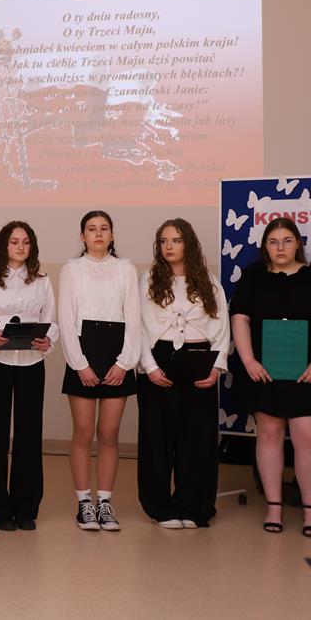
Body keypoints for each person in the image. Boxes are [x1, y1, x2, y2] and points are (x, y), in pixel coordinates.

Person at [0, 221, 58, 531]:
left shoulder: (42, 281)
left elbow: (51, 322)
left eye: (26, 242)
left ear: (32, 247)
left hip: (32, 363)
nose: (20, 247)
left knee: (29, 435)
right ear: (4, 245)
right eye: (14, 241)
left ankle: (26, 508)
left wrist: (48, 340)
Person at [138, 219, 229, 529]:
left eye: (176, 240)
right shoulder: (148, 279)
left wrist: (216, 368)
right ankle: (160, 506)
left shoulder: (208, 281)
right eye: (164, 241)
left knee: (197, 438)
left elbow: (222, 327)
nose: (169, 246)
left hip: (199, 360)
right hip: (160, 359)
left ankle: (193, 505)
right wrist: (149, 367)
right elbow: (138, 327)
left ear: (188, 243)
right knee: (158, 438)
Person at [58, 210, 141, 531]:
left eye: (104, 228)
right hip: (83, 353)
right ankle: (84, 504)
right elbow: (66, 320)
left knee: (108, 433)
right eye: (91, 229)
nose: (98, 234)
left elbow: (133, 319)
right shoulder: (71, 269)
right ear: (82, 236)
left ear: (112, 235)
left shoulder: (126, 269)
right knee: (83, 432)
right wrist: (80, 364)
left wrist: (124, 363)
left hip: (117, 354)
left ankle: (105, 502)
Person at [229, 217, 311, 536]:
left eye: (287, 240)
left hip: (304, 373)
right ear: (265, 246)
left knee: (306, 436)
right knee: (269, 433)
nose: (280, 247)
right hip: (264, 371)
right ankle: (274, 506)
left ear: (298, 243)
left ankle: (309, 510)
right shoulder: (253, 276)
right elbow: (240, 318)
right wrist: (249, 361)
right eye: (273, 242)